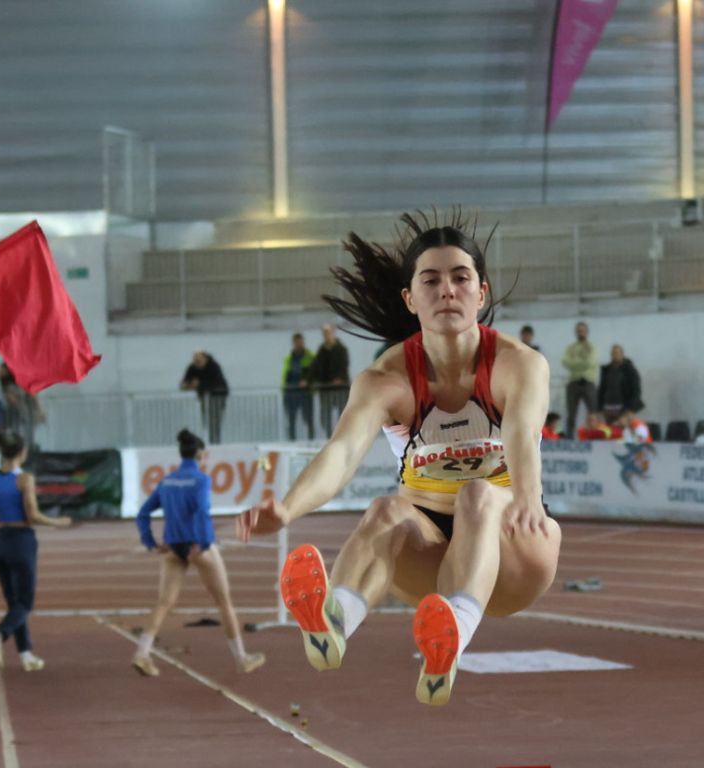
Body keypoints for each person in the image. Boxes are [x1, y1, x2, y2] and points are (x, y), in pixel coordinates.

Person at [239, 211, 561, 706]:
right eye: (430, 280)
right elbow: (342, 452)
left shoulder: (519, 364)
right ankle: (335, 621)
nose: (447, 290)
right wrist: (288, 508)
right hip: (430, 553)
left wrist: (528, 494)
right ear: (411, 299)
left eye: (460, 278)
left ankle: (455, 627)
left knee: (479, 494)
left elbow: (520, 432)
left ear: (482, 293)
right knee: (384, 510)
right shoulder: (384, 379)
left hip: (518, 545)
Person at [131, 430, 265, 678]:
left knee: (164, 603)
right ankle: (242, 658)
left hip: (173, 548)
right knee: (224, 601)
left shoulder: (167, 481)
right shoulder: (201, 480)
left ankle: (142, 653)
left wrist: (150, 542)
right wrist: (202, 544)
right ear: (201, 455)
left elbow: (142, 514)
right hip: (196, 545)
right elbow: (202, 511)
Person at [0, 431, 71, 672]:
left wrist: (1, 518)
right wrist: (59, 523)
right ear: (22, 452)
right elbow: (33, 515)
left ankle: (26, 655)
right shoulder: (24, 479)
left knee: (14, 604)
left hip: (1, 542)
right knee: (25, 603)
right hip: (21, 541)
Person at [310, 323, 351, 437]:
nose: (326, 335)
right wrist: (311, 381)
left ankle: (341, 435)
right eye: (324, 332)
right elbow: (316, 367)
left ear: (333, 332)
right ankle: (329, 435)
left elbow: (344, 365)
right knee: (325, 415)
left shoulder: (341, 349)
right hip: (325, 388)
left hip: (340, 389)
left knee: (342, 413)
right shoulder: (321, 350)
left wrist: (340, 378)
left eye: (328, 332)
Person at [181, 350, 230, 443]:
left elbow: (217, 383)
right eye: (195, 361)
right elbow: (183, 384)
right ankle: (205, 441)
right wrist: (191, 385)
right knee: (205, 421)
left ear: (206, 359)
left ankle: (215, 442)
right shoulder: (192, 368)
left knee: (215, 422)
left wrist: (199, 384)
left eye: (199, 361)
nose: (197, 363)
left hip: (217, 398)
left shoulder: (213, 367)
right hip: (204, 398)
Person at [561, 321, 598, 437]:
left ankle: (595, 436)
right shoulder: (571, 348)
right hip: (574, 382)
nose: (580, 332)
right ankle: (569, 437)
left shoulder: (592, 347)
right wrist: (583, 364)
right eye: (578, 330)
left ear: (587, 332)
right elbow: (565, 362)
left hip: (588, 382)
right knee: (571, 413)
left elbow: (591, 362)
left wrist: (575, 364)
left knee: (593, 412)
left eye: (582, 330)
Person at [0, 365, 44, 453]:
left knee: (24, 434)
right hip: (15, 414)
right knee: (19, 434)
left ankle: (25, 450)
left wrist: (38, 410)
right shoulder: (6, 385)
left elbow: (28, 396)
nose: (0, 373)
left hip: (22, 413)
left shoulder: (13, 385)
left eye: (2, 370)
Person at [281, 332, 316, 440]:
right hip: (291, 392)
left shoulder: (310, 356)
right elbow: (285, 374)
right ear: (293, 343)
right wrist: (284, 389)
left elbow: (314, 372)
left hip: (305, 392)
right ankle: (292, 440)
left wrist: (308, 382)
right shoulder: (289, 357)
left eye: (300, 342)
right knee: (292, 417)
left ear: (303, 342)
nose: (299, 344)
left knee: (308, 418)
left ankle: (311, 439)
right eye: (296, 342)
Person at [596, 344, 643, 420]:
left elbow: (636, 390)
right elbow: (601, 390)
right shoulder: (606, 370)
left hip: (625, 409)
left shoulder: (630, 370)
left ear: (622, 354)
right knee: (609, 431)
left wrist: (631, 409)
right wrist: (599, 408)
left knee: (622, 431)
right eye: (613, 353)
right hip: (608, 410)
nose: (615, 355)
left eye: (617, 353)